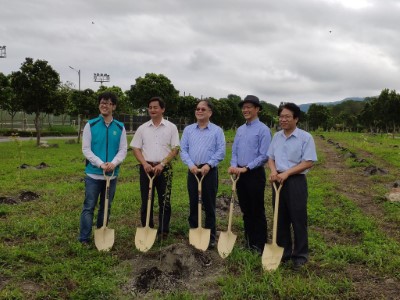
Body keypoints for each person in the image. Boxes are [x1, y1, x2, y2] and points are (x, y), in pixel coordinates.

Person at [267, 102, 317, 269]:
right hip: (278, 180)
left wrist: (287, 173)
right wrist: (274, 171)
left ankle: (300, 255)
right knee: (280, 218)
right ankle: (284, 252)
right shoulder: (276, 137)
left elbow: (308, 162)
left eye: (287, 116)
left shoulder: (305, 137)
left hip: (295, 181)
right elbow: (271, 157)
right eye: (281, 116)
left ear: (296, 118)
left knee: (298, 218)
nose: (283, 120)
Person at [78, 91, 128, 245]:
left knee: (106, 206)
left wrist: (113, 163)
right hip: (93, 175)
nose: (104, 105)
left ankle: (102, 232)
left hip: (111, 175)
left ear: (113, 106)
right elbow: (86, 149)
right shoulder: (90, 125)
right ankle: (84, 238)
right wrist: (100, 164)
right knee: (89, 206)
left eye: (107, 103)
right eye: (102, 102)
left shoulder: (119, 127)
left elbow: (123, 149)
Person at [130, 96, 180, 239]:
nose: (152, 110)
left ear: (162, 109)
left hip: (165, 169)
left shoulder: (171, 127)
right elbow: (136, 148)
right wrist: (145, 164)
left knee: (164, 200)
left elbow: (175, 149)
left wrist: (162, 164)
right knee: (146, 200)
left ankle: (163, 230)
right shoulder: (142, 128)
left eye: (155, 107)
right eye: (150, 107)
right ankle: (148, 227)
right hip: (146, 169)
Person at [228, 95, 271, 254]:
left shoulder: (263, 130)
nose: (245, 110)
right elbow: (234, 151)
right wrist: (233, 165)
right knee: (245, 209)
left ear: (257, 109)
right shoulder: (240, 129)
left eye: (249, 107)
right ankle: (248, 241)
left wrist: (247, 168)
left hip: (254, 174)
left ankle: (259, 244)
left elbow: (264, 155)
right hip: (239, 174)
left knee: (257, 209)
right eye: (244, 107)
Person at [180, 99, 226, 249]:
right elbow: (183, 149)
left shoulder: (217, 131)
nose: (199, 111)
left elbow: (221, 151)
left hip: (209, 171)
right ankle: (194, 232)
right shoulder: (188, 130)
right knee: (194, 203)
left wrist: (209, 164)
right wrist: (191, 165)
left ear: (210, 112)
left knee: (209, 204)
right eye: (197, 109)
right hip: (193, 171)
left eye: (203, 109)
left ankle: (211, 236)